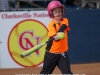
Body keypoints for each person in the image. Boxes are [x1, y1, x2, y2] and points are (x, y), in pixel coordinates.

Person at [40, 0, 73, 74]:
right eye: (55, 11)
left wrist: (59, 34)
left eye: (59, 11)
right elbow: (56, 38)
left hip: (62, 54)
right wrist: (56, 37)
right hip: (51, 54)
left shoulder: (65, 20)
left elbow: (63, 27)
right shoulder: (51, 24)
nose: (58, 13)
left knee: (67, 73)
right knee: (45, 73)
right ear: (51, 13)